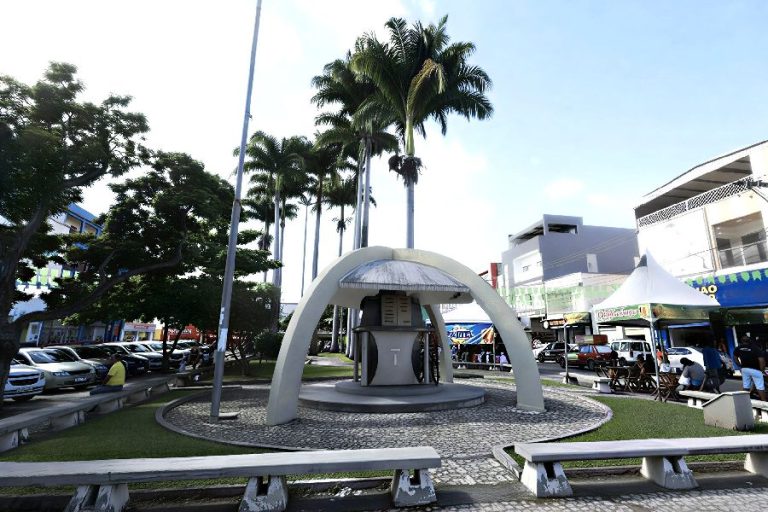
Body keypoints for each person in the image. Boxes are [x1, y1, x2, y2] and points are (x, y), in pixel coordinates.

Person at [734, 335, 767, 401]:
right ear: (749, 341)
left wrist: (739, 365)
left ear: (741, 341)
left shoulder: (738, 348)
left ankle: (744, 401)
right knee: (760, 387)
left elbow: (735, 357)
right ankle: (764, 403)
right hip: (755, 369)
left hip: (745, 369)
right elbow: (761, 360)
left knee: (746, 386)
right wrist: (762, 370)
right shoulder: (755, 348)